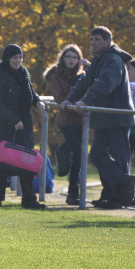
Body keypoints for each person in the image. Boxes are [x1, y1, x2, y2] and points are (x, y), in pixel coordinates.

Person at [61, 26, 135, 209]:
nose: (93, 43)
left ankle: (119, 198)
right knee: (97, 154)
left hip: (117, 118)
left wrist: (85, 100)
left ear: (108, 41)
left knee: (120, 158)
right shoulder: (99, 59)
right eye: (91, 39)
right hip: (104, 117)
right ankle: (125, 184)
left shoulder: (113, 59)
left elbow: (106, 83)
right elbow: (85, 81)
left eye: (97, 39)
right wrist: (69, 99)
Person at [0, 44, 46, 209]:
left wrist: (38, 102)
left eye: (20, 57)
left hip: (25, 124)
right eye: (15, 58)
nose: (18, 61)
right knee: (0, 161)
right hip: (4, 126)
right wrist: (13, 120)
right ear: (7, 58)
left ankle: (29, 200)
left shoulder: (23, 74)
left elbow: (31, 91)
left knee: (27, 160)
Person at [44, 44, 85, 205]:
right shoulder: (55, 73)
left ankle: (63, 150)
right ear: (63, 58)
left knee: (78, 154)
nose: (71, 60)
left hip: (81, 118)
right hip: (66, 119)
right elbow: (60, 97)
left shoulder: (83, 74)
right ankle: (73, 191)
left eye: (75, 57)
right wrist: (76, 100)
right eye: (68, 56)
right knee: (78, 152)